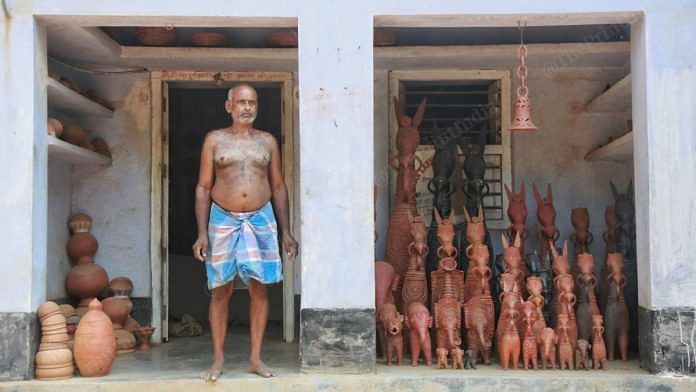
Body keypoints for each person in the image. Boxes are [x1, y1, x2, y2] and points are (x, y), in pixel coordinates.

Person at [192, 84, 298, 381]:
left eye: (252, 102)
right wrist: (201, 233)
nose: (247, 108)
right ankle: (217, 359)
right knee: (220, 289)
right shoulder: (214, 140)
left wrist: (286, 231)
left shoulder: (267, 141)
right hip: (223, 218)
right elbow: (203, 187)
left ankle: (255, 358)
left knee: (259, 288)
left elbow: (278, 186)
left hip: (261, 218)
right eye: (241, 102)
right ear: (229, 106)